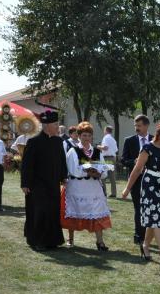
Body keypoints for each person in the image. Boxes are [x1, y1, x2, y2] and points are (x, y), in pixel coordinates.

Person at [122, 121, 160, 268]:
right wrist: (127, 189)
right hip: (150, 184)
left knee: (155, 219)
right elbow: (137, 169)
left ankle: (145, 245)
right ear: (158, 134)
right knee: (157, 218)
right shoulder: (147, 148)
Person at [21, 107, 68, 251]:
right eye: (55, 124)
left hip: (53, 183)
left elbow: (62, 160)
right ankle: (37, 241)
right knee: (39, 211)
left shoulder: (58, 141)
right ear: (47, 126)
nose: (58, 127)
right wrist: (25, 183)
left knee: (53, 210)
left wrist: (63, 176)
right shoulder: (34, 142)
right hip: (37, 184)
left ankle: (52, 240)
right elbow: (27, 165)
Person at [61, 121, 112, 250]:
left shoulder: (97, 151)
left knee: (97, 212)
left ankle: (100, 242)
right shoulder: (73, 151)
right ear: (79, 136)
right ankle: (70, 239)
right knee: (73, 212)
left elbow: (104, 169)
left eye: (89, 135)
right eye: (84, 135)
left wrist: (100, 173)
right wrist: (87, 171)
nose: (86, 138)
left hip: (93, 188)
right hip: (77, 187)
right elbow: (73, 169)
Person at [121, 114, 153, 245]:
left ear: (146, 126)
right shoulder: (129, 141)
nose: (136, 128)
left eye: (139, 125)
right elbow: (123, 160)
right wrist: (134, 162)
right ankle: (139, 235)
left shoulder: (154, 140)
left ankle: (148, 236)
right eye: (135, 125)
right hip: (135, 180)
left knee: (150, 208)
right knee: (138, 208)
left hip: (151, 180)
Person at [101, 125, 118, 198]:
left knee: (103, 175)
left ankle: (104, 192)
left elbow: (105, 147)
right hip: (113, 158)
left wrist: (98, 147)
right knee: (112, 177)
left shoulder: (106, 137)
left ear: (106, 130)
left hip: (107, 158)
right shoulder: (113, 139)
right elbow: (116, 150)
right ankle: (114, 193)